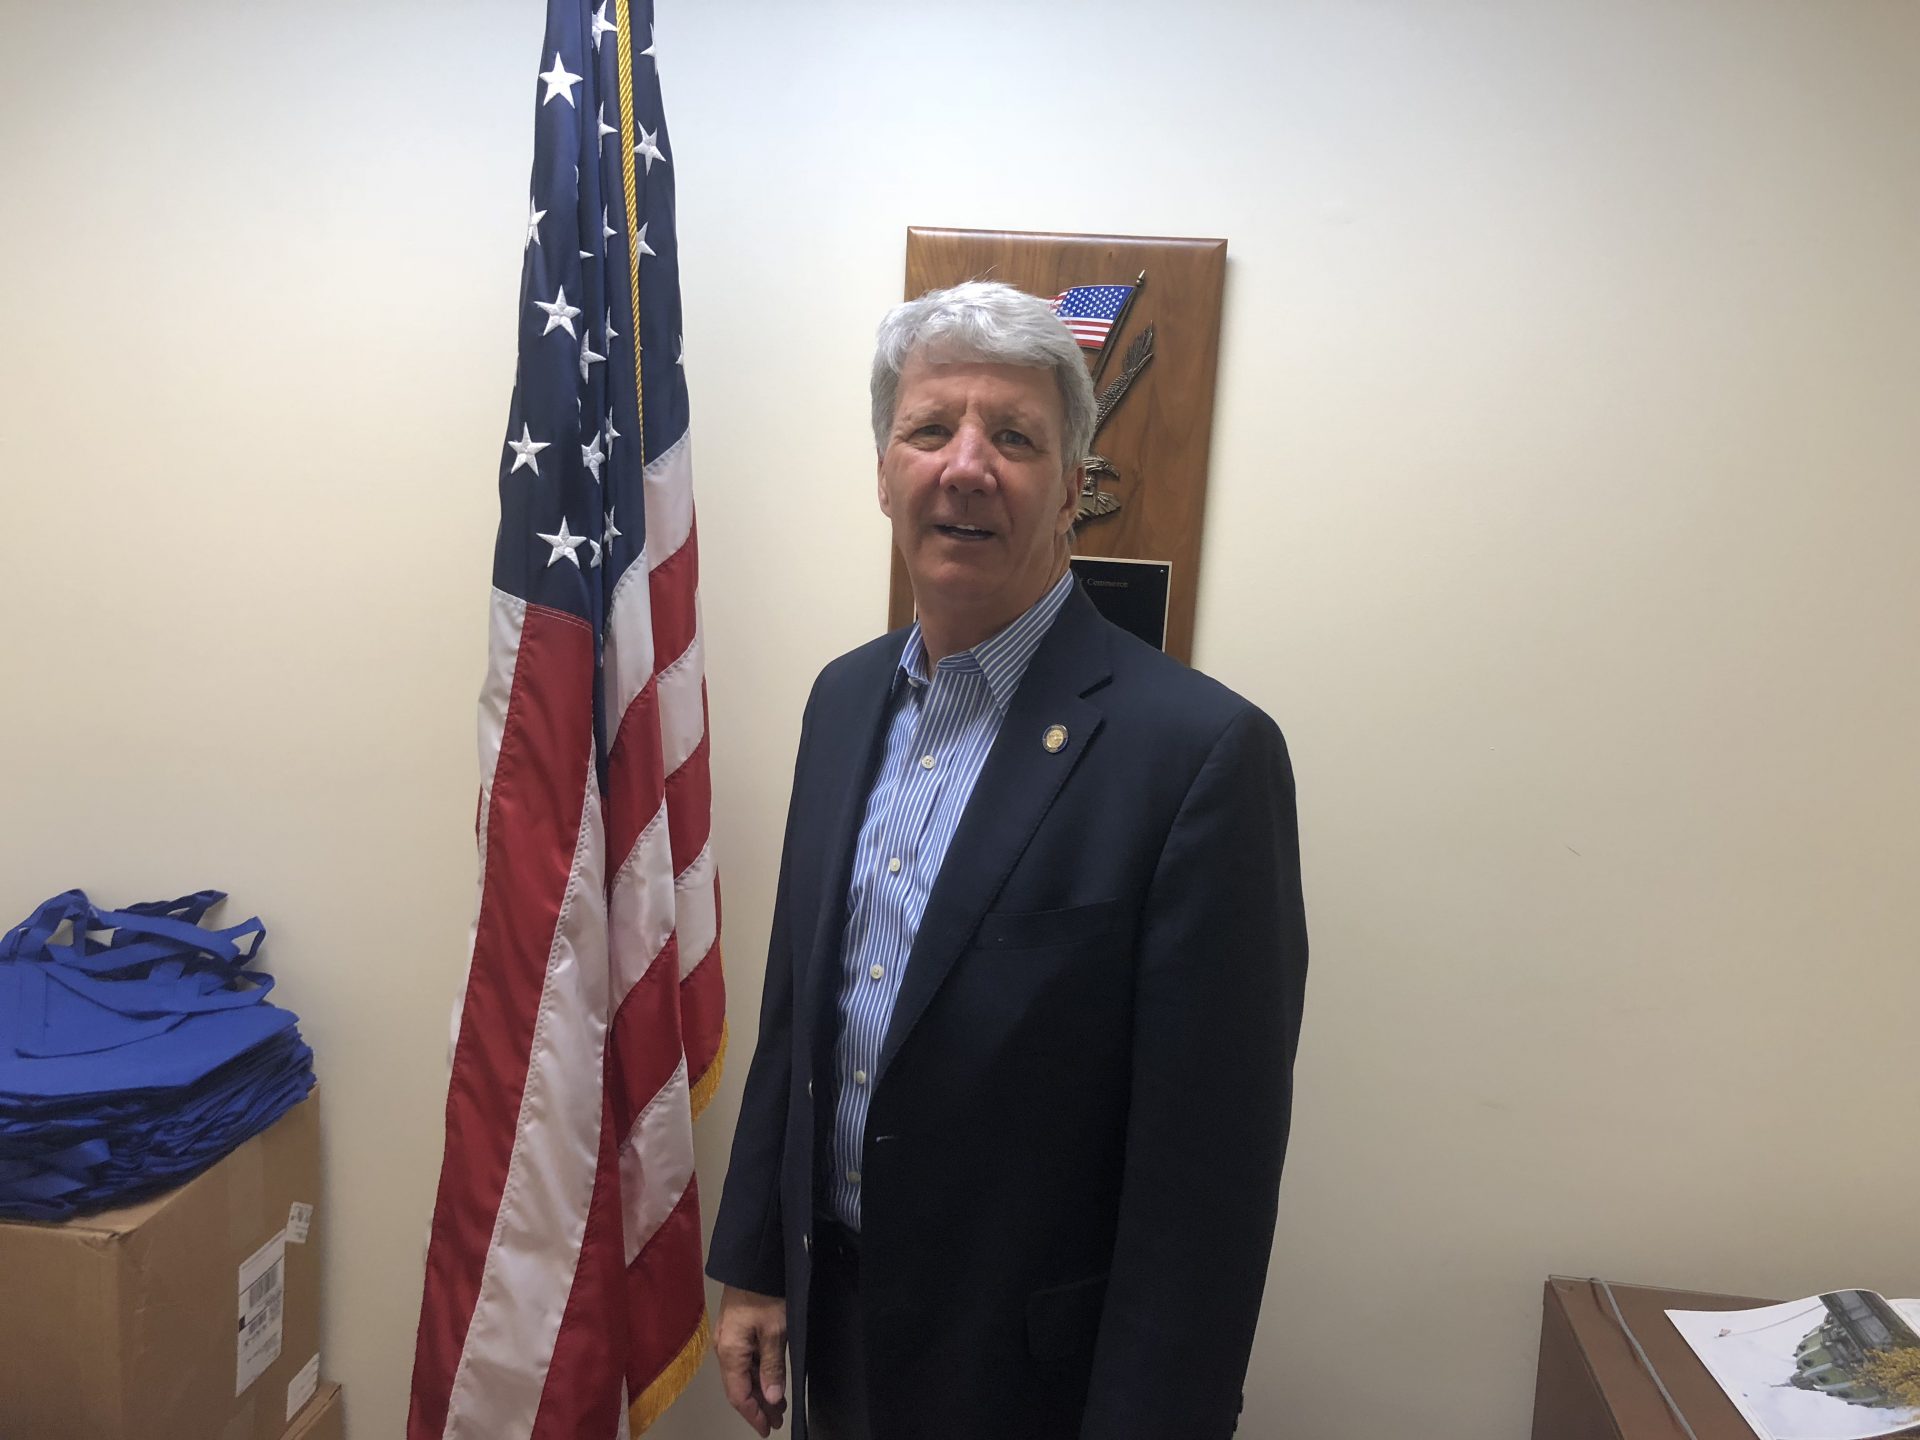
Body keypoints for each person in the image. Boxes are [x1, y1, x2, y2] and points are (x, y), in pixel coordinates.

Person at [706, 281, 1308, 1440]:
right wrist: (757, 1261)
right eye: (931, 429)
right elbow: (802, 1013)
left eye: (1015, 438)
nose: (966, 466)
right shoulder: (842, 701)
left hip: (1037, 1380)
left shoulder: (1200, 754)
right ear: (885, 470)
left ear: (1074, 488)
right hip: (835, 1330)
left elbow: (1209, 1179)